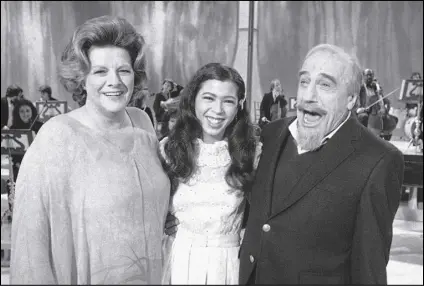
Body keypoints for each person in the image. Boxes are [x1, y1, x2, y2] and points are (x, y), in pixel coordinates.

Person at [10, 15, 170, 284]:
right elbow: (30, 243)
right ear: (81, 79)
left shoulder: (142, 123)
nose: (114, 81)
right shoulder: (57, 137)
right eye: (100, 71)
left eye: (123, 70)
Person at [239, 44, 404, 284]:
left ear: (350, 99)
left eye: (325, 85)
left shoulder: (378, 160)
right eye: (304, 82)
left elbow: (369, 266)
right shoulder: (271, 135)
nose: (308, 96)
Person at [159, 62, 262, 285]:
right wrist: (163, 221)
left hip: (229, 266)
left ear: (238, 106)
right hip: (180, 263)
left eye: (228, 101)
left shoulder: (251, 154)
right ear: (193, 99)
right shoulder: (169, 149)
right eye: (209, 98)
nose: (217, 110)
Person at [356, 69, 386, 136]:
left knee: (386, 117)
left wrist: (382, 107)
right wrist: (359, 109)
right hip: (362, 111)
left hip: (374, 112)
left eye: (371, 75)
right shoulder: (360, 88)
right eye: (367, 75)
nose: (369, 77)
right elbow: (355, 100)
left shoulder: (376, 88)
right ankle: (362, 135)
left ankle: (380, 134)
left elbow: (380, 99)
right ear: (363, 76)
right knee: (364, 116)